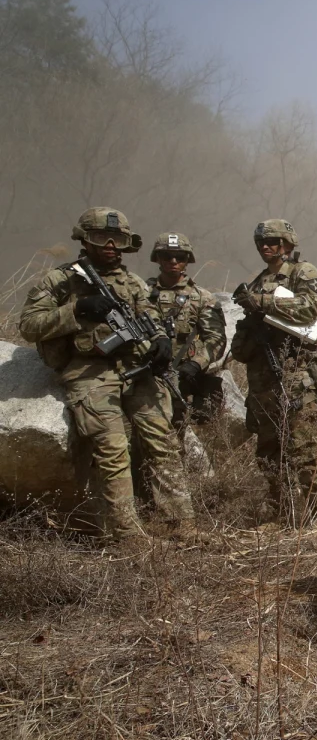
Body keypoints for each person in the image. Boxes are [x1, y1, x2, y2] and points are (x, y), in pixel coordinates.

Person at [20, 207, 193, 542]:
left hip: (136, 368)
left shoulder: (133, 283)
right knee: (112, 450)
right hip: (89, 371)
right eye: (101, 237)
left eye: (119, 239)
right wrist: (77, 309)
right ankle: (125, 535)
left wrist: (160, 341)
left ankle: (182, 524)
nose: (111, 245)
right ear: (85, 239)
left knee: (163, 441)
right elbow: (29, 325)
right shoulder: (62, 279)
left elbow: (150, 314)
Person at [229, 220, 317, 527]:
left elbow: (310, 309)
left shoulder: (304, 272)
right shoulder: (258, 280)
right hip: (262, 379)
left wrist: (260, 303)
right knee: (269, 450)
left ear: (287, 242)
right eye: (261, 240)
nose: (266, 245)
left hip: (295, 374)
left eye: (273, 240)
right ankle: (279, 513)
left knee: (305, 449)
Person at [146, 232, 227, 425]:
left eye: (180, 257)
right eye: (167, 256)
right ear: (157, 258)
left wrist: (197, 363)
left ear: (187, 260)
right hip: (147, 375)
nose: (173, 261)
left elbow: (217, 339)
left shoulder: (202, 297)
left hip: (183, 377)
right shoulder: (142, 294)